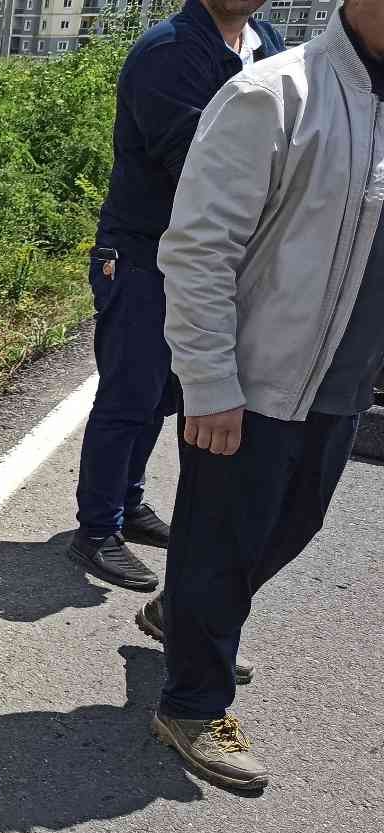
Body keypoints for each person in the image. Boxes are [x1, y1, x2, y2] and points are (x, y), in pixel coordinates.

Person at [153, 3, 384, 790]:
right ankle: (192, 701)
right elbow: (197, 247)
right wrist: (210, 382)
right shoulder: (276, 95)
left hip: (343, 383)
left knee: (293, 524)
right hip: (255, 385)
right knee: (224, 541)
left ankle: (183, 613)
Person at [68, 0, 283, 593]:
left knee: (164, 393)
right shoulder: (172, 52)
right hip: (143, 255)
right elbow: (196, 162)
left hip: (201, 262)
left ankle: (127, 504)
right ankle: (96, 529)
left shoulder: (264, 41)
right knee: (129, 395)